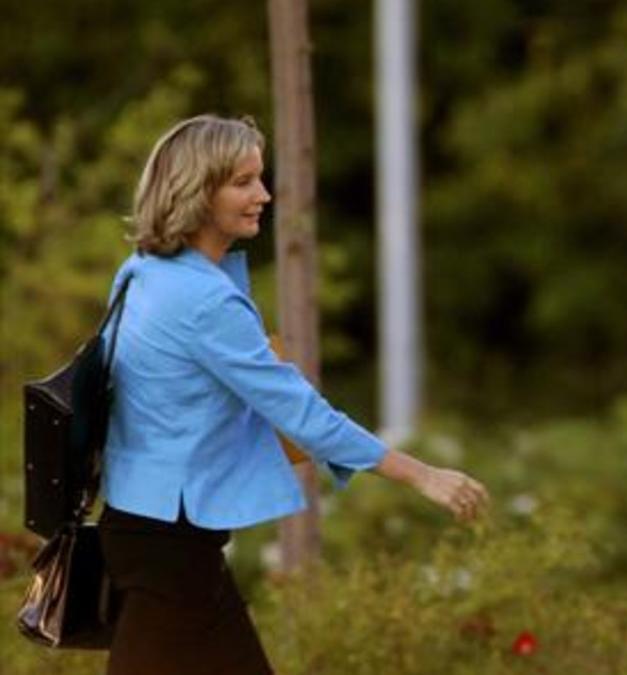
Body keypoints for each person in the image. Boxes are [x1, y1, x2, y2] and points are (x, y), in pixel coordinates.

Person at [97, 114, 490, 675]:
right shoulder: (205, 302)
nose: (263, 194)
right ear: (197, 191)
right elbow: (304, 416)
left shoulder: (143, 272)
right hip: (170, 545)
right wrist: (424, 475)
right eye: (242, 181)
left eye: (260, 177)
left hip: (147, 524)